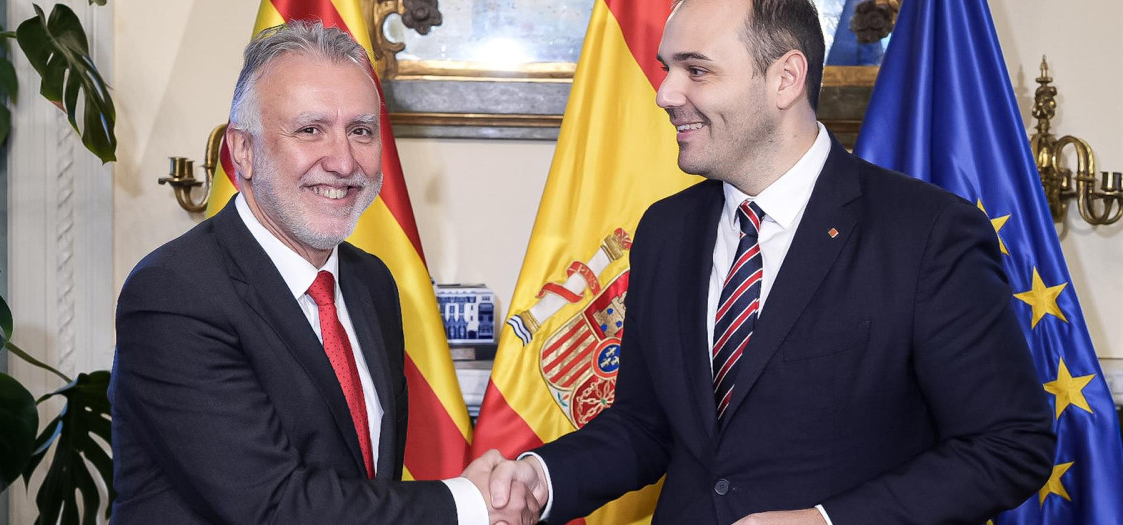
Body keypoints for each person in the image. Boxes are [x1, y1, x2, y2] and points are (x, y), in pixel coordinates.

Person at [472, 0, 1055, 523]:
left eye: (696, 70)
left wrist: (826, 522)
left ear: (785, 78)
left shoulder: (927, 232)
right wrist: (541, 478)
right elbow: (645, 426)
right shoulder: (665, 230)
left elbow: (1009, 444)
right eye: (667, 67)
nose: (665, 93)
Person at [111, 21, 537, 525]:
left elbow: (369, 483)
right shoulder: (175, 293)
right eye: (310, 130)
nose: (342, 161)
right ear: (242, 151)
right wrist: (471, 503)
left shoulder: (371, 282)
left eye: (360, 131)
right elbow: (271, 506)